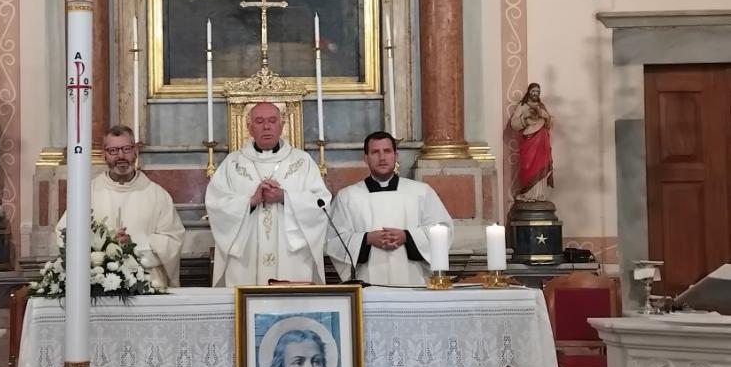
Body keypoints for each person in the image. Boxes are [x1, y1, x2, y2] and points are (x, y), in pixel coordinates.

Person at [205, 102, 331, 286]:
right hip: (246, 258)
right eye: (259, 121)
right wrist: (251, 201)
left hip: (291, 257)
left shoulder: (302, 162)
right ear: (249, 127)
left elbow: (321, 204)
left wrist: (285, 198)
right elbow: (216, 205)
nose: (266, 126)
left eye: (272, 121)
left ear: (281, 126)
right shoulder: (233, 163)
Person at [56, 125, 185, 287]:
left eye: (126, 149)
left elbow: (173, 240)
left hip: (147, 284)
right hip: (97, 284)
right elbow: (64, 234)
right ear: (104, 155)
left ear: (135, 151)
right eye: (113, 151)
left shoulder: (158, 195)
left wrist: (134, 244)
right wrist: (100, 252)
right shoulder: (87, 193)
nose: (121, 156)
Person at [326, 131, 453, 285]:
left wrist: (407, 237)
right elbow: (334, 240)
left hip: (413, 281)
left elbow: (442, 230)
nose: (382, 157)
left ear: (395, 156)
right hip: (367, 283)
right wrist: (367, 239)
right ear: (366, 158)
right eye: (375, 152)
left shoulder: (421, 192)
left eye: (387, 151)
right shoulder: (347, 197)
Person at [509, 83, 553, 202]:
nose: (535, 93)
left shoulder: (541, 106)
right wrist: (524, 117)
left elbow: (549, 124)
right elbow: (514, 124)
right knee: (527, 166)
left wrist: (545, 116)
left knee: (541, 165)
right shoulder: (523, 106)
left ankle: (539, 194)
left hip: (542, 141)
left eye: (537, 91)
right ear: (529, 92)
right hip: (529, 141)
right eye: (533, 91)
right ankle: (527, 194)